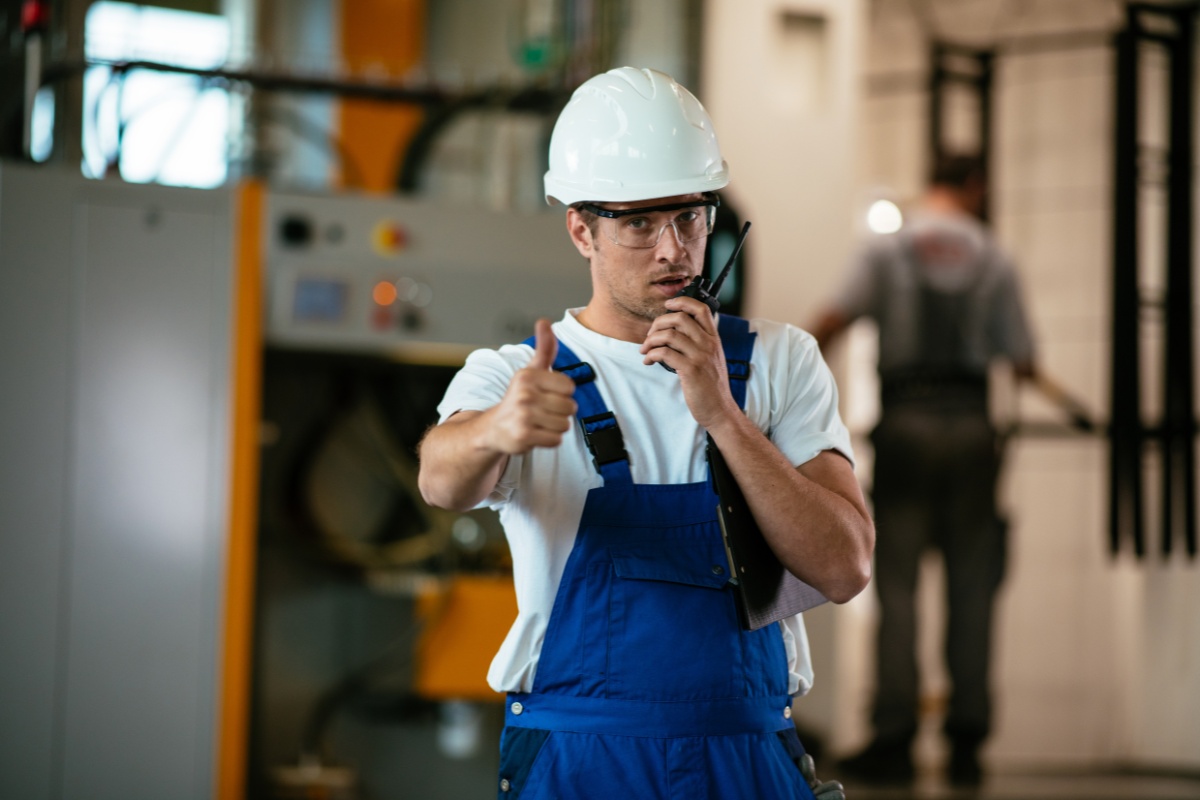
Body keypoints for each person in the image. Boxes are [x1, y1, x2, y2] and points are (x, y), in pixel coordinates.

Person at [417, 66, 874, 799]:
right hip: (580, 760)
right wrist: (499, 429)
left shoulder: (781, 363)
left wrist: (722, 414)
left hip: (745, 755)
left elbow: (846, 566)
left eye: (689, 218)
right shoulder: (519, 373)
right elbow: (439, 480)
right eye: (639, 224)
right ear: (581, 229)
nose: (673, 250)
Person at [810, 153, 1037, 787]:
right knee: (972, 587)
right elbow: (1020, 358)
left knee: (899, 586)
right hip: (970, 428)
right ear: (975, 186)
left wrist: (777, 375)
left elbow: (831, 320)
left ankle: (895, 736)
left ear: (930, 182)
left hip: (906, 426)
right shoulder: (994, 255)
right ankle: (966, 741)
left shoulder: (887, 251)